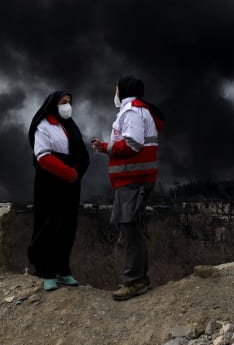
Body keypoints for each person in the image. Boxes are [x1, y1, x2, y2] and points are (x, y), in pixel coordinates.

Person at [92, 76, 165, 301]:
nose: (114, 92)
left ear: (123, 90)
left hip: (133, 181)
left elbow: (133, 143)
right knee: (132, 227)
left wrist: (106, 147)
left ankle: (135, 282)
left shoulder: (131, 110)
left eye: (116, 88)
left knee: (130, 228)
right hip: (134, 180)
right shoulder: (139, 109)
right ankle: (138, 278)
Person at [28, 91, 90, 291]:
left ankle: (64, 271)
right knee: (49, 226)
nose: (67, 106)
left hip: (71, 187)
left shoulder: (71, 125)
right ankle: (47, 273)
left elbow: (81, 153)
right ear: (53, 105)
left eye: (69, 102)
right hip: (50, 185)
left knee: (67, 227)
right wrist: (68, 173)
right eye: (63, 102)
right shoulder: (43, 127)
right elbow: (43, 156)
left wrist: (77, 171)